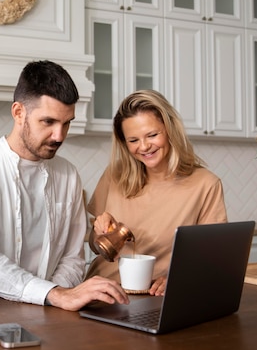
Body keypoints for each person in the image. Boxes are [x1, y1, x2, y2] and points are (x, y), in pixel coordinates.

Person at [0, 60, 128, 311]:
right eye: (48, 122)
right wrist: (53, 294)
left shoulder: (68, 175)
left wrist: (54, 298)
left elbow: (72, 258)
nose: (59, 136)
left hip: (43, 311)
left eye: (66, 123)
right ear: (19, 113)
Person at [86, 89, 227, 296]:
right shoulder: (115, 175)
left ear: (170, 130)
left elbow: (212, 257)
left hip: (156, 298)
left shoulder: (205, 185)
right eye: (133, 140)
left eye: (152, 135)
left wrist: (178, 279)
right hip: (101, 293)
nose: (144, 147)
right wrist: (98, 233)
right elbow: (93, 245)